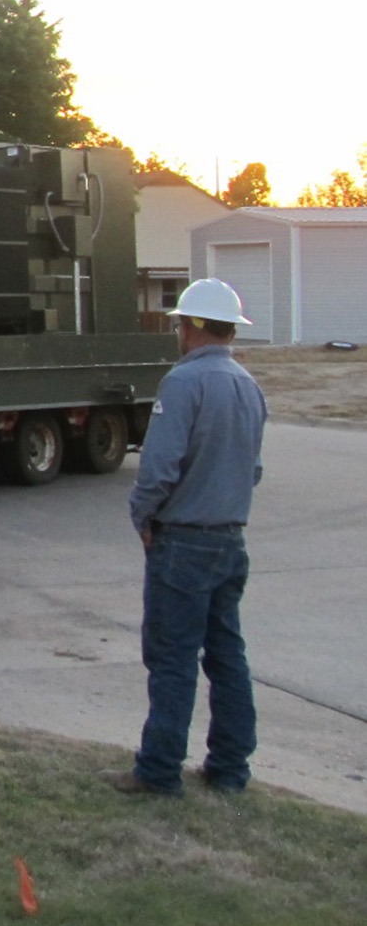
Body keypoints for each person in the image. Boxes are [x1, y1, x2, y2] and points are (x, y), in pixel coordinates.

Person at [104, 277, 267, 797]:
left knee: (172, 660)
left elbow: (157, 470)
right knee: (227, 656)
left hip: (183, 542)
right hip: (229, 540)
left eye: (180, 322)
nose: (177, 330)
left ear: (194, 326)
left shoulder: (183, 383)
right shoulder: (248, 384)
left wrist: (143, 518)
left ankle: (158, 771)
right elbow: (253, 469)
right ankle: (229, 769)